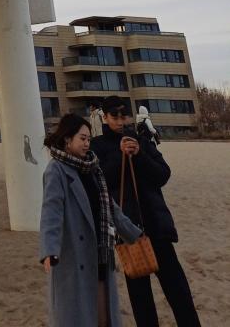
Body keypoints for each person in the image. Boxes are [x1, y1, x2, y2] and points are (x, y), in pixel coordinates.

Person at [91, 96, 200, 327]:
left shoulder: (141, 140)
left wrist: (139, 154)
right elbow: (100, 182)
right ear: (105, 117)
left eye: (123, 115)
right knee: (141, 299)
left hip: (157, 226)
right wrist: (120, 155)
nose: (120, 121)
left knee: (179, 291)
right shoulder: (98, 146)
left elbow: (163, 175)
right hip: (129, 231)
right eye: (114, 116)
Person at [40, 112, 142, 327]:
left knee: (103, 316)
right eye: (82, 138)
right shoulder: (56, 170)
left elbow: (111, 208)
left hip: (100, 253)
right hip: (75, 256)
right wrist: (50, 249)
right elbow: (52, 211)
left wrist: (135, 234)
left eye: (88, 138)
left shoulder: (93, 168)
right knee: (80, 316)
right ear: (68, 139)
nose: (87, 143)